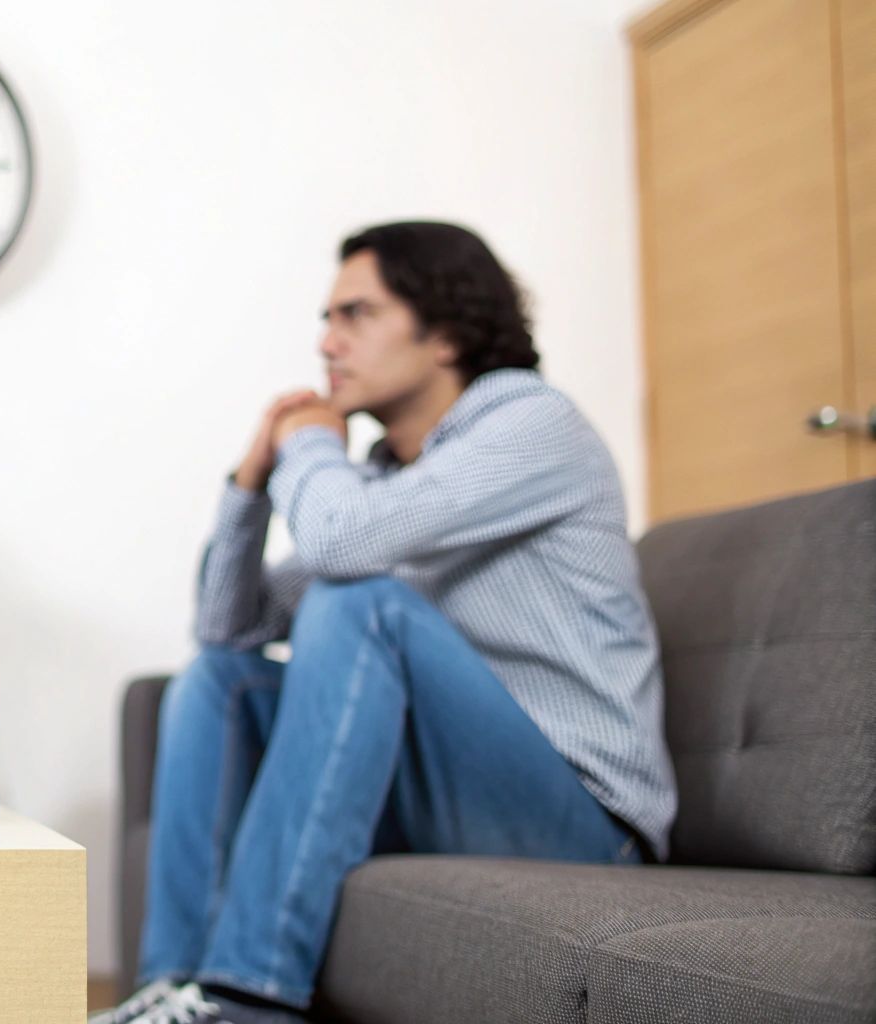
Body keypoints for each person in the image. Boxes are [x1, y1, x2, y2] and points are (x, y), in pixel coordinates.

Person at [92, 222, 677, 1024]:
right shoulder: (382, 486)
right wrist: (249, 483)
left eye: (354, 315)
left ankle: (245, 996)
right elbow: (227, 629)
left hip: (583, 818)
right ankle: (173, 990)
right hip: (448, 792)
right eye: (326, 320)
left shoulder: (532, 428)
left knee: (356, 599)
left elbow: (341, 544)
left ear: (442, 331)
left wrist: (304, 448)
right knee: (221, 683)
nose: (325, 344)